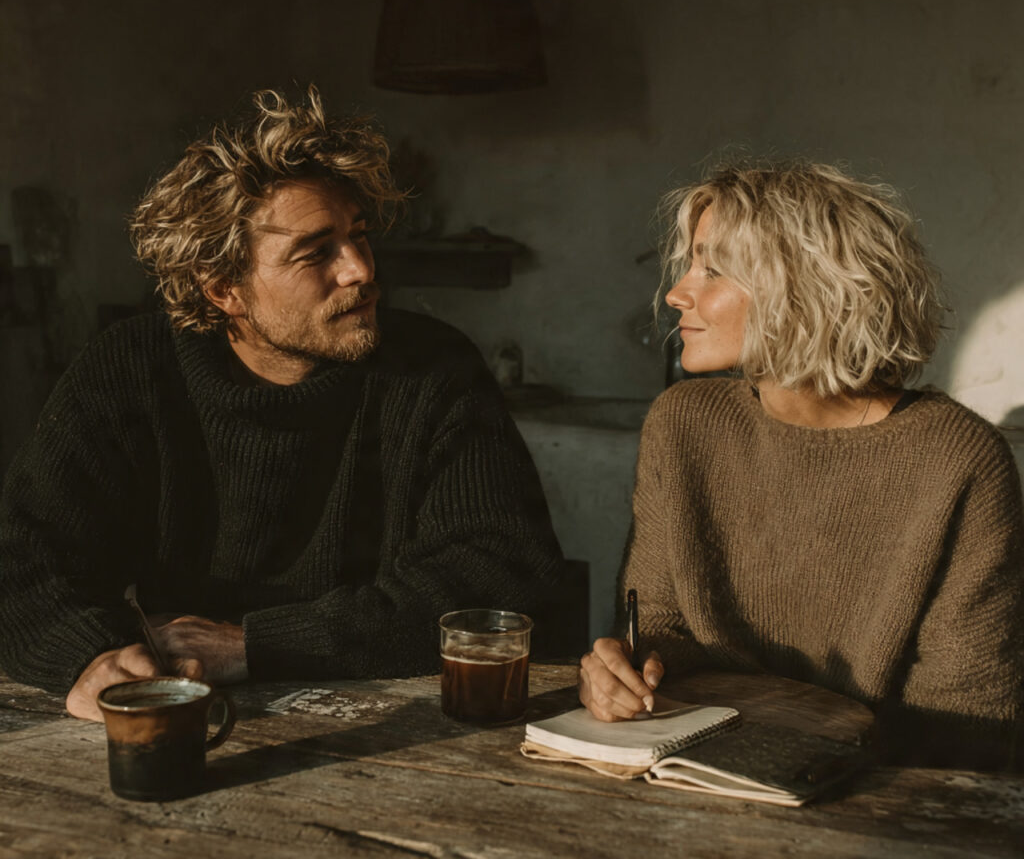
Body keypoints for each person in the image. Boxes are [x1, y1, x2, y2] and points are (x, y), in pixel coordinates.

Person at [0, 87, 563, 721]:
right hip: (191, 711)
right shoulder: (130, 369)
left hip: (396, 719)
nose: (360, 270)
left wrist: (254, 645)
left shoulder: (434, 368)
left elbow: (503, 577)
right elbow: (24, 559)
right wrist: (90, 655)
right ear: (225, 290)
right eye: (315, 253)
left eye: (358, 235)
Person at [578, 161, 1024, 770]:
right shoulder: (682, 423)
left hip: (871, 789)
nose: (677, 294)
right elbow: (657, 624)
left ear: (805, 289)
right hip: (689, 765)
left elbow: (966, 724)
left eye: (712, 270)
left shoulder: (958, 459)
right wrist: (623, 674)